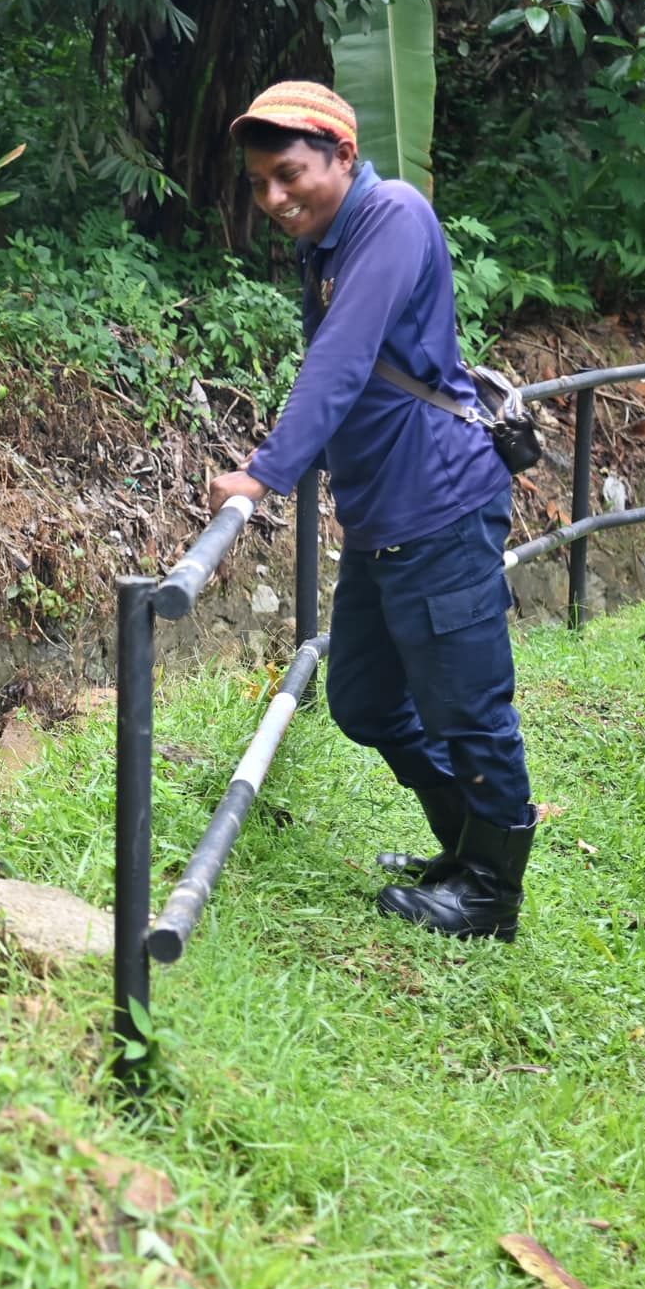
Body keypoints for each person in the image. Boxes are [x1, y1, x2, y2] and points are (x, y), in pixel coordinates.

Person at [209, 81, 536, 941]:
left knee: (472, 711)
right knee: (360, 697)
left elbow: (344, 364)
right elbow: (344, 377)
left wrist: (264, 474)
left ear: (343, 157)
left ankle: (490, 896)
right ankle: (462, 845)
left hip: (442, 509)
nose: (274, 198)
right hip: (383, 525)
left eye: (288, 174)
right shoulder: (327, 246)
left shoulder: (391, 216)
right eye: (259, 184)